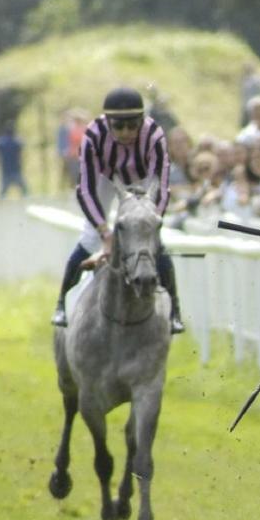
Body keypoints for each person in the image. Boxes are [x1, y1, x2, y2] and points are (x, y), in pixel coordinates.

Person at [50, 87, 183, 334]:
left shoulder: (154, 136)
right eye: (118, 126)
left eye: (132, 126)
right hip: (106, 177)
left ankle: (175, 311)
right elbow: (85, 190)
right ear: (108, 122)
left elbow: (162, 188)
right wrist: (104, 231)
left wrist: (153, 223)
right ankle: (61, 304)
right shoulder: (93, 135)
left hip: (143, 179)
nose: (126, 133)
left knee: (153, 240)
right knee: (89, 238)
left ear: (142, 121)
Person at [0, 124, 27, 198]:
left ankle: (1, 198)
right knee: (24, 188)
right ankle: (26, 197)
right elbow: (21, 151)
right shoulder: (16, 142)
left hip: (6, 169)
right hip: (15, 169)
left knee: (3, 190)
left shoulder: (2, 143)